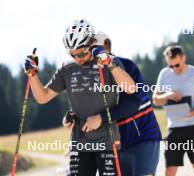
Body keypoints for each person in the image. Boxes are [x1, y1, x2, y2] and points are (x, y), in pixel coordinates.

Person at [24, 19, 136, 176]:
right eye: (72, 54)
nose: (77, 59)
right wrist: (32, 75)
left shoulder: (110, 61)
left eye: (82, 53)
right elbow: (42, 97)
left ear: (92, 43)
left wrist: (109, 63)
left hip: (107, 142)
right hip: (79, 142)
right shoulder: (67, 68)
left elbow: (131, 88)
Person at [64, 32, 162, 176]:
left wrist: (102, 117)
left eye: (93, 50)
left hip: (142, 138)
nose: (89, 55)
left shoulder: (126, 66)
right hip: (116, 143)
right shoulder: (90, 73)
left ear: (106, 49)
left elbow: (134, 103)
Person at [152, 45, 194, 176]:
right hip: (174, 129)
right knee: (170, 169)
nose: (174, 69)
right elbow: (156, 100)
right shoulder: (164, 74)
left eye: (177, 65)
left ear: (183, 58)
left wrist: (192, 113)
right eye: (171, 66)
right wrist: (167, 95)